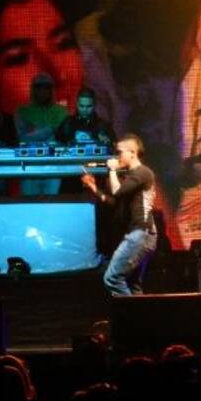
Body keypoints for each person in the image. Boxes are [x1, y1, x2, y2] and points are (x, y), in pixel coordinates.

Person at [81, 133, 157, 295]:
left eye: (120, 152)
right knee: (133, 284)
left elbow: (117, 191)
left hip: (140, 233)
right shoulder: (132, 176)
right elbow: (115, 202)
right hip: (140, 234)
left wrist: (112, 170)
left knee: (112, 278)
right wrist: (94, 188)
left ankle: (127, 311)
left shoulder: (142, 172)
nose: (117, 157)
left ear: (133, 153)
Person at [15, 72, 69, 196]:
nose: (42, 91)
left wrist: (33, 129)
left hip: (53, 166)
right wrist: (49, 130)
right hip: (29, 166)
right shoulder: (22, 111)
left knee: (52, 203)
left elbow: (60, 136)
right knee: (29, 203)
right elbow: (22, 138)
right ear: (33, 89)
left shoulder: (61, 111)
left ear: (51, 90)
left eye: (46, 87)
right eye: (39, 87)